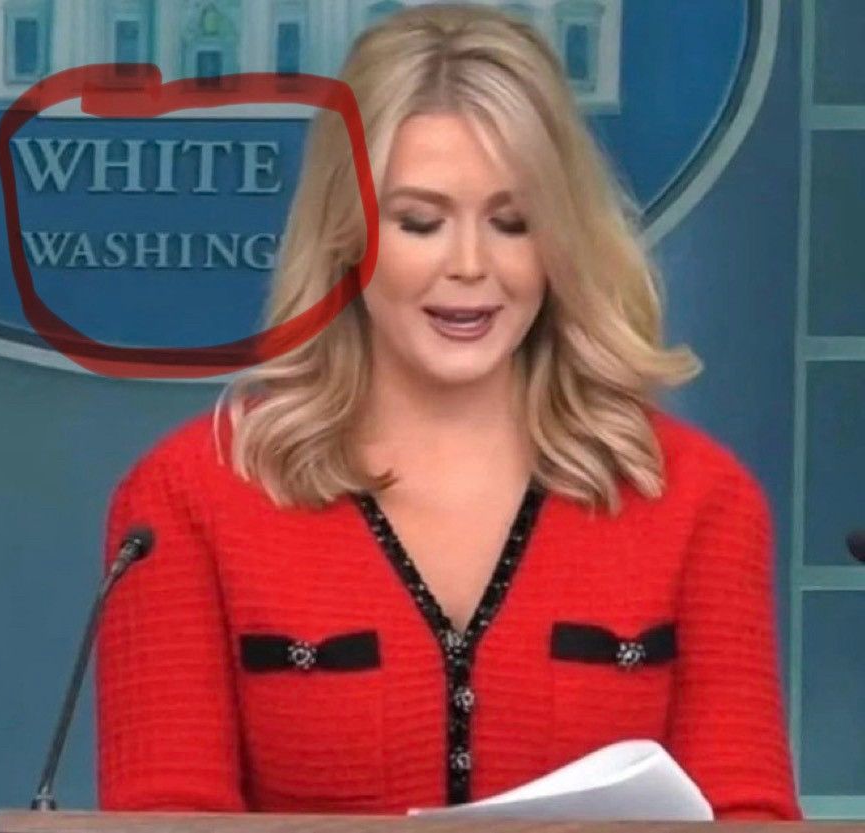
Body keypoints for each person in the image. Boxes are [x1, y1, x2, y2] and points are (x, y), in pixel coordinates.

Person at [96, 2, 803, 819]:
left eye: (512, 222)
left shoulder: (698, 501)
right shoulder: (188, 499)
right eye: (420, 222)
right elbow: (165, 811)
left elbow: (750, 812)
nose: (470, 266)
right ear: (347, 233)